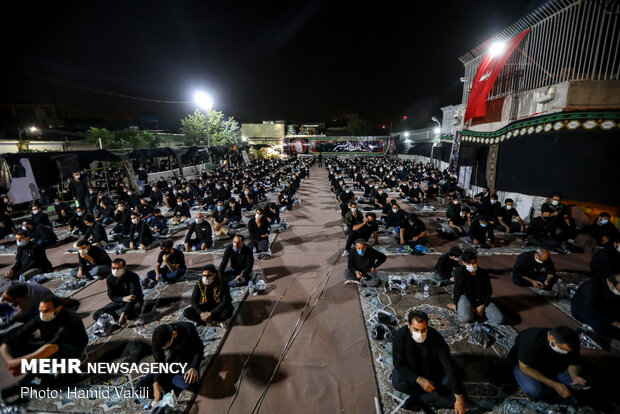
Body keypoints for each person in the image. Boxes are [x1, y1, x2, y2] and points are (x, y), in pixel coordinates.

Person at [0, 295, 88, 384]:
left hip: (72, 348)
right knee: (17, 345)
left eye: (46, 311)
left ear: (58, 309)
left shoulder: (69, 318)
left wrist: (20, 361)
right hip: (50, 345)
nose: (42, 314)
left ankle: (70, 374)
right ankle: (46, 377)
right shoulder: (41, 317)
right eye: (41, 311)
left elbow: (53, 347)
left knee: (42, 357)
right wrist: (10, 361)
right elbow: (8, 342)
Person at [392, 310, 467, 413]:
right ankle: (427, 396)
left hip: (432, 373)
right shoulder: (400, 336)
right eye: (416, 329)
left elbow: (448, 365)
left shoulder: (436, 337)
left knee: (455, 389)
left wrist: (459, 399)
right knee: (397, 382)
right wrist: (418, 379)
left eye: (423, 330)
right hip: (413, 372)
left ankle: (420, 398)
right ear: (408, 325)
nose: (420, 333)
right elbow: (398, 363)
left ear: (427, 326)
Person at [509, 326, 587, 404]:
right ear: (551, 338)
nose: (566, 353)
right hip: (527, 365)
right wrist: (554, 385)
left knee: (576, 383)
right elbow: (525, 368)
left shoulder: (572, 343)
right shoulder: (531, 341)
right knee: (534, 391)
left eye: (568, 352)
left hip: (553, 364)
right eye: (563, 350)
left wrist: (575, 376)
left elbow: (574, 362)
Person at [137, 323, 203, 402]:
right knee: (139, 389)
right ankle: (167, 384)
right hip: (170, 364)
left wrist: (194, 367)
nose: (164, 348)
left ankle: (167, 383)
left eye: (165, 347)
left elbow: (199, 350)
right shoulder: (157, 337)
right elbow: (159, 361)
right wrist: (156, 383)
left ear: (174, 335)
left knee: (189, 383)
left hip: (187, 361)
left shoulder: (188, 329)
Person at [450, 250, 504, 324]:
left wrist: (482, 305)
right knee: (465, 318)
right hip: (466, 296)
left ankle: (477, 311)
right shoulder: (459, 272)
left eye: (474, 262)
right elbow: (458, 289)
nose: (472, 265)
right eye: (469, 263)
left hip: (481, 298)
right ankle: (474, 311)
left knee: (499, 319)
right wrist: (456, 304)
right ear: (463, 262)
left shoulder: (483, 273)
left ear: (476, 261)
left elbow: (488, 291)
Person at [93, 258, 143, 325]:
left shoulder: (133, 276)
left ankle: (118, 314)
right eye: (113, 268)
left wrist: (124, 312)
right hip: (120, 301)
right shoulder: (110, 278)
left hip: (134, 301)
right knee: (96, 315)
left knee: (133, 312)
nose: (115, 270)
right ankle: (117, 315)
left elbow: (133, 296)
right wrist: (123, 298)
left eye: (118, 268)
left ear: (125, 267)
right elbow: (111, 295)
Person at [571, 273, 620, 340]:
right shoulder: (591, 286)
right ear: (611, 284)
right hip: (583, 309)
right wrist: (614, 323)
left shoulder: (613, 287)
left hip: (603, 305)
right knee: (601, 325)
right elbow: (591, 309)